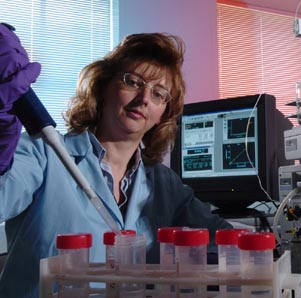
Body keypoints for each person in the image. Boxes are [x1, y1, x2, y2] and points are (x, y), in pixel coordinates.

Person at [0, 24, 232, 297]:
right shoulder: (42, 155)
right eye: (133, 82)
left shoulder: (164, 184)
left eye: (158, 94)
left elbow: (225, 238)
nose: (144, 98)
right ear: (103, 87)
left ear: (162, 115)